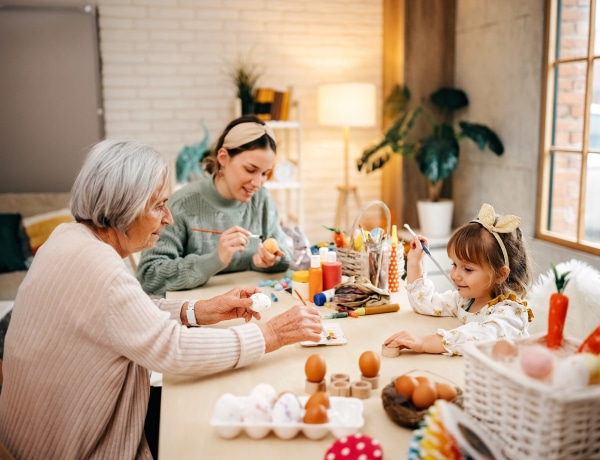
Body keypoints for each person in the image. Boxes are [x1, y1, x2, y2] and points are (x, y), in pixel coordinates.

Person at [0, 139, 322, 460]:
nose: (168, 218)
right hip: (78, 448)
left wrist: (196, 310)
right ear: (123, 206)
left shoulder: (67, 237)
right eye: (158, 206)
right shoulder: (101, 269)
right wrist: (271, 334)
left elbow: (121, 312)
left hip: (33, 438)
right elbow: (171, 349)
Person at [137, 115, 291, 297]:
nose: (258, 182)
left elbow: (287, 256)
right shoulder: (182, 204)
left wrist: (267, 261)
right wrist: (214, 259)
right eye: (250, 170)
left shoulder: (262, 199)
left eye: (265, 173)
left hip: (249, 309)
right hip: (197, 317)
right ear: (223, 157)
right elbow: (149, 276)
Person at [384, 203, 533, 356]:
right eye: (454, 264)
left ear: (500, 274)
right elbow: (424, 303)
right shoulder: (465, 300)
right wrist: (415, 262)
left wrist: (424, 343)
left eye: (467, 269)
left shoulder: (511, 313)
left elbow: (480, 337)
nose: (455, 275)